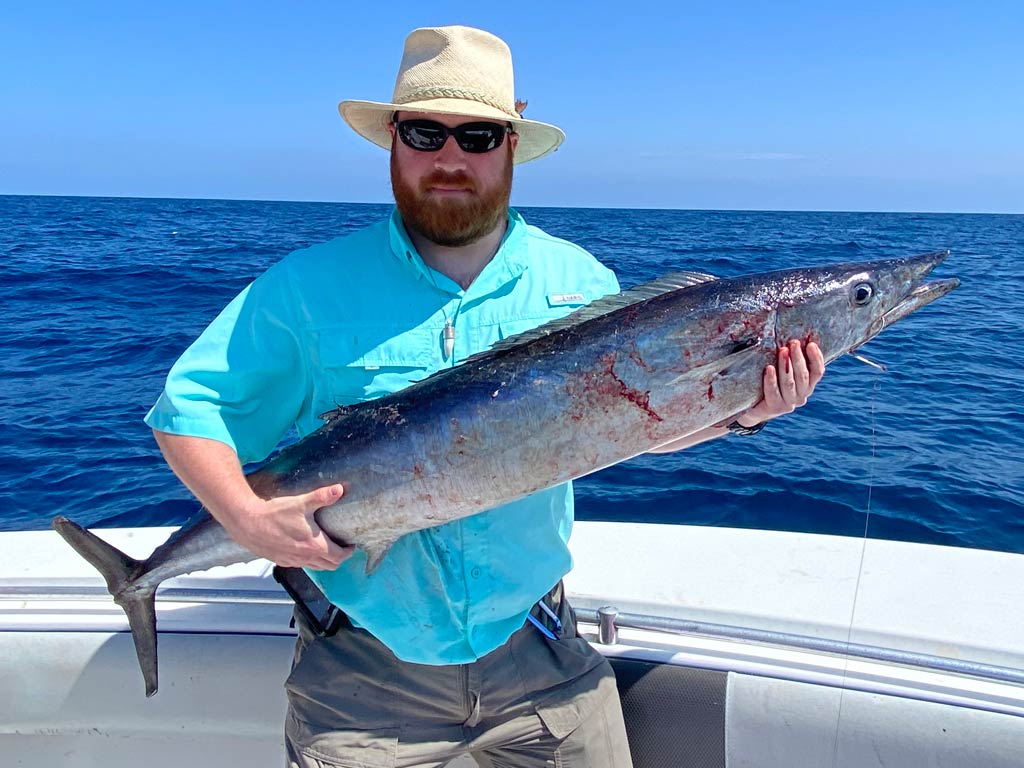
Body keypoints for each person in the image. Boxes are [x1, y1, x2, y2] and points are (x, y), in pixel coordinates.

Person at [144, 25, 824, 768]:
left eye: (477, 135)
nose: (450, 158)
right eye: (426, 133)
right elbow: (189, 412)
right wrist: (247, 519)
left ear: (510, 143)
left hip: (539, 657)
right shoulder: (305, 289)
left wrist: (745, 413)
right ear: (392, 140)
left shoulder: (580, 284)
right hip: (363, 678)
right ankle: (137, 582)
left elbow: (640, 428)